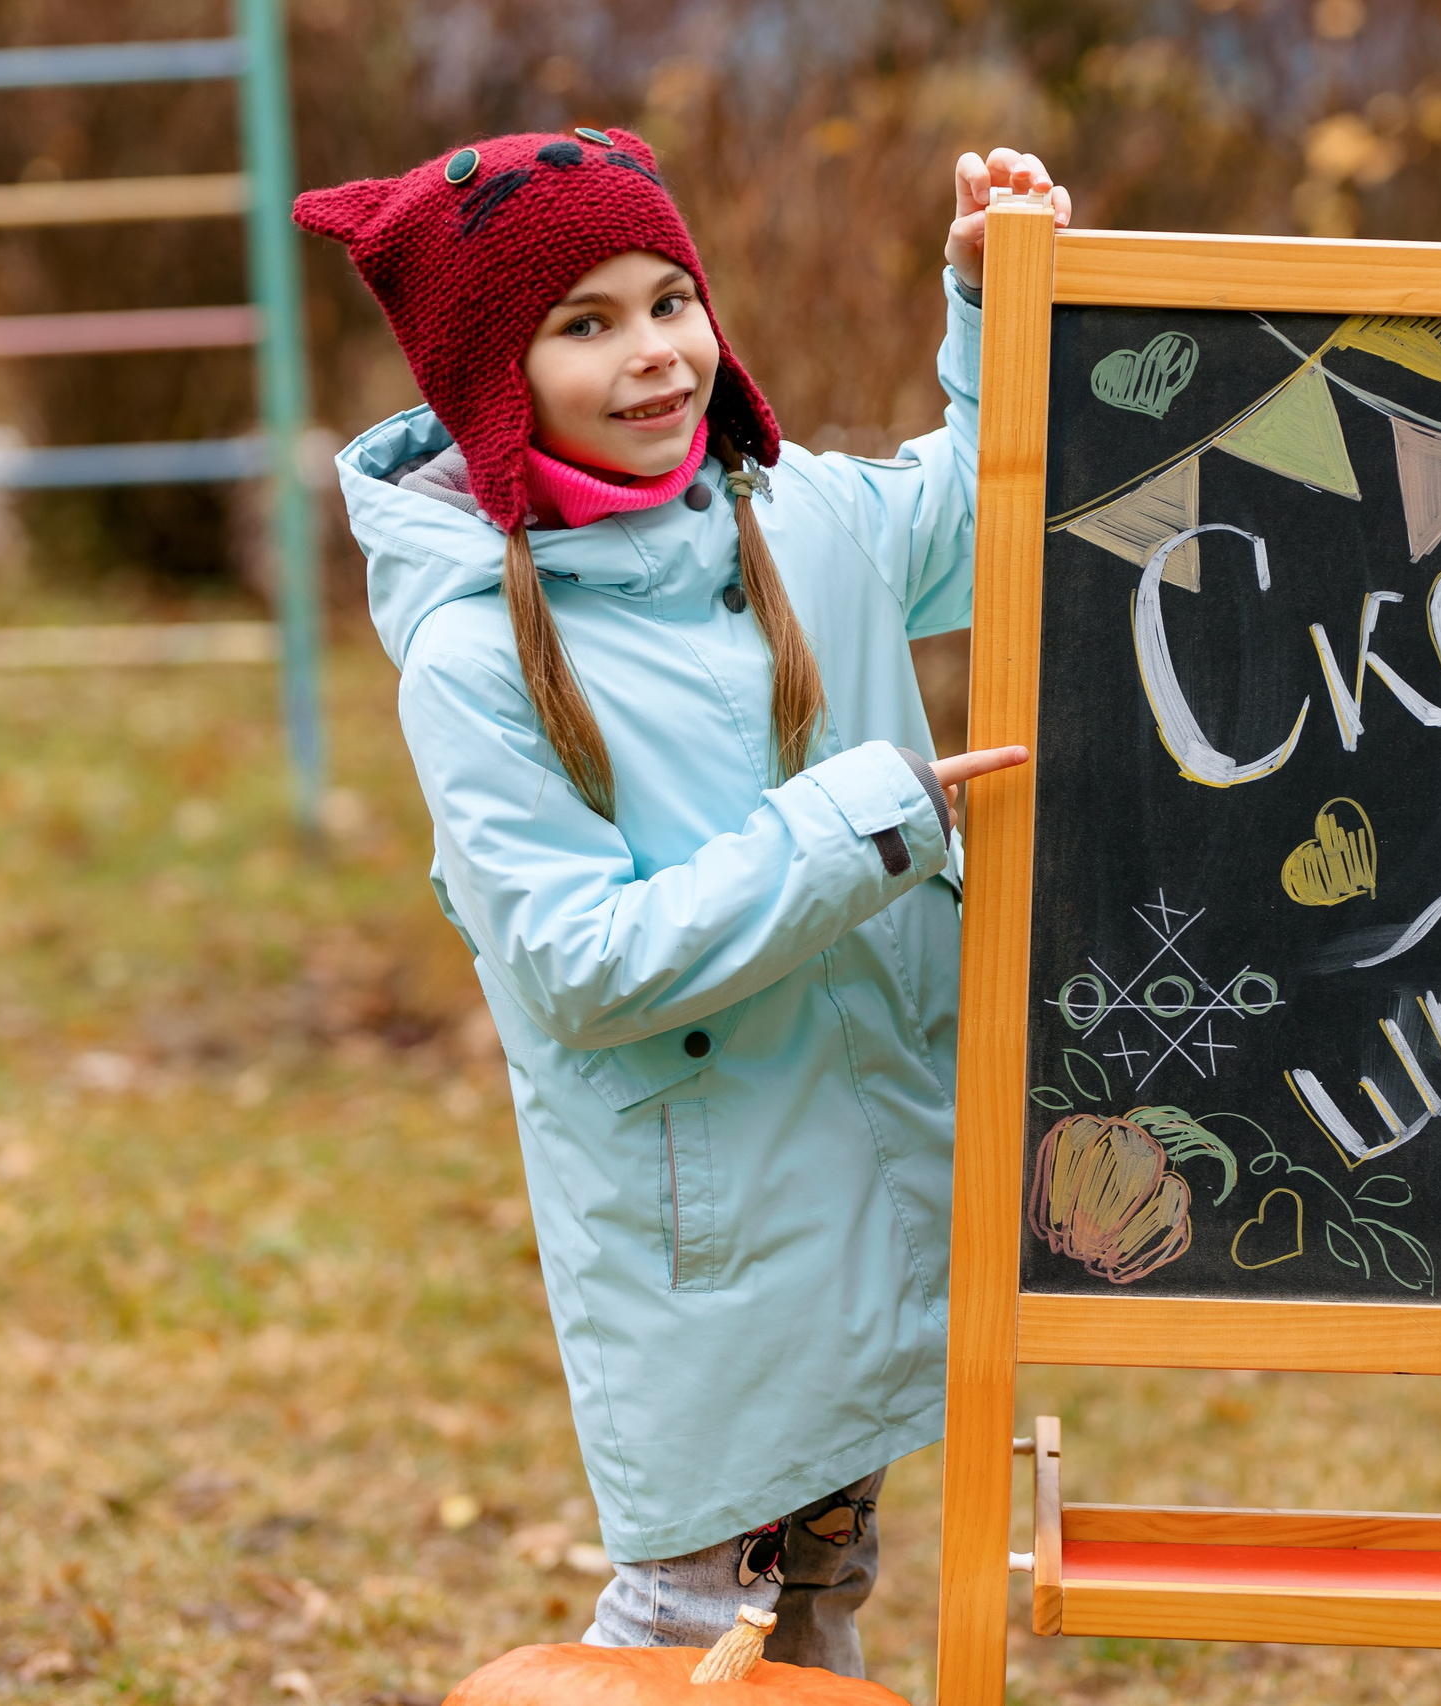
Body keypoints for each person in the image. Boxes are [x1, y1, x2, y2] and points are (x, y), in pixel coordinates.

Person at [294, 130, 1068, 1671]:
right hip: (704, 1244)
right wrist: (864, 819)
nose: (653, 353)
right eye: (585, 324)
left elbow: (999, 504)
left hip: (872, 1178)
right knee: (693, 1624)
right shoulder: (476, 653)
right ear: (496, 378)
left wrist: (995, 299)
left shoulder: (803, 519)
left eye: (669, 301)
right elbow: (578, 961)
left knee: (807, 1603)